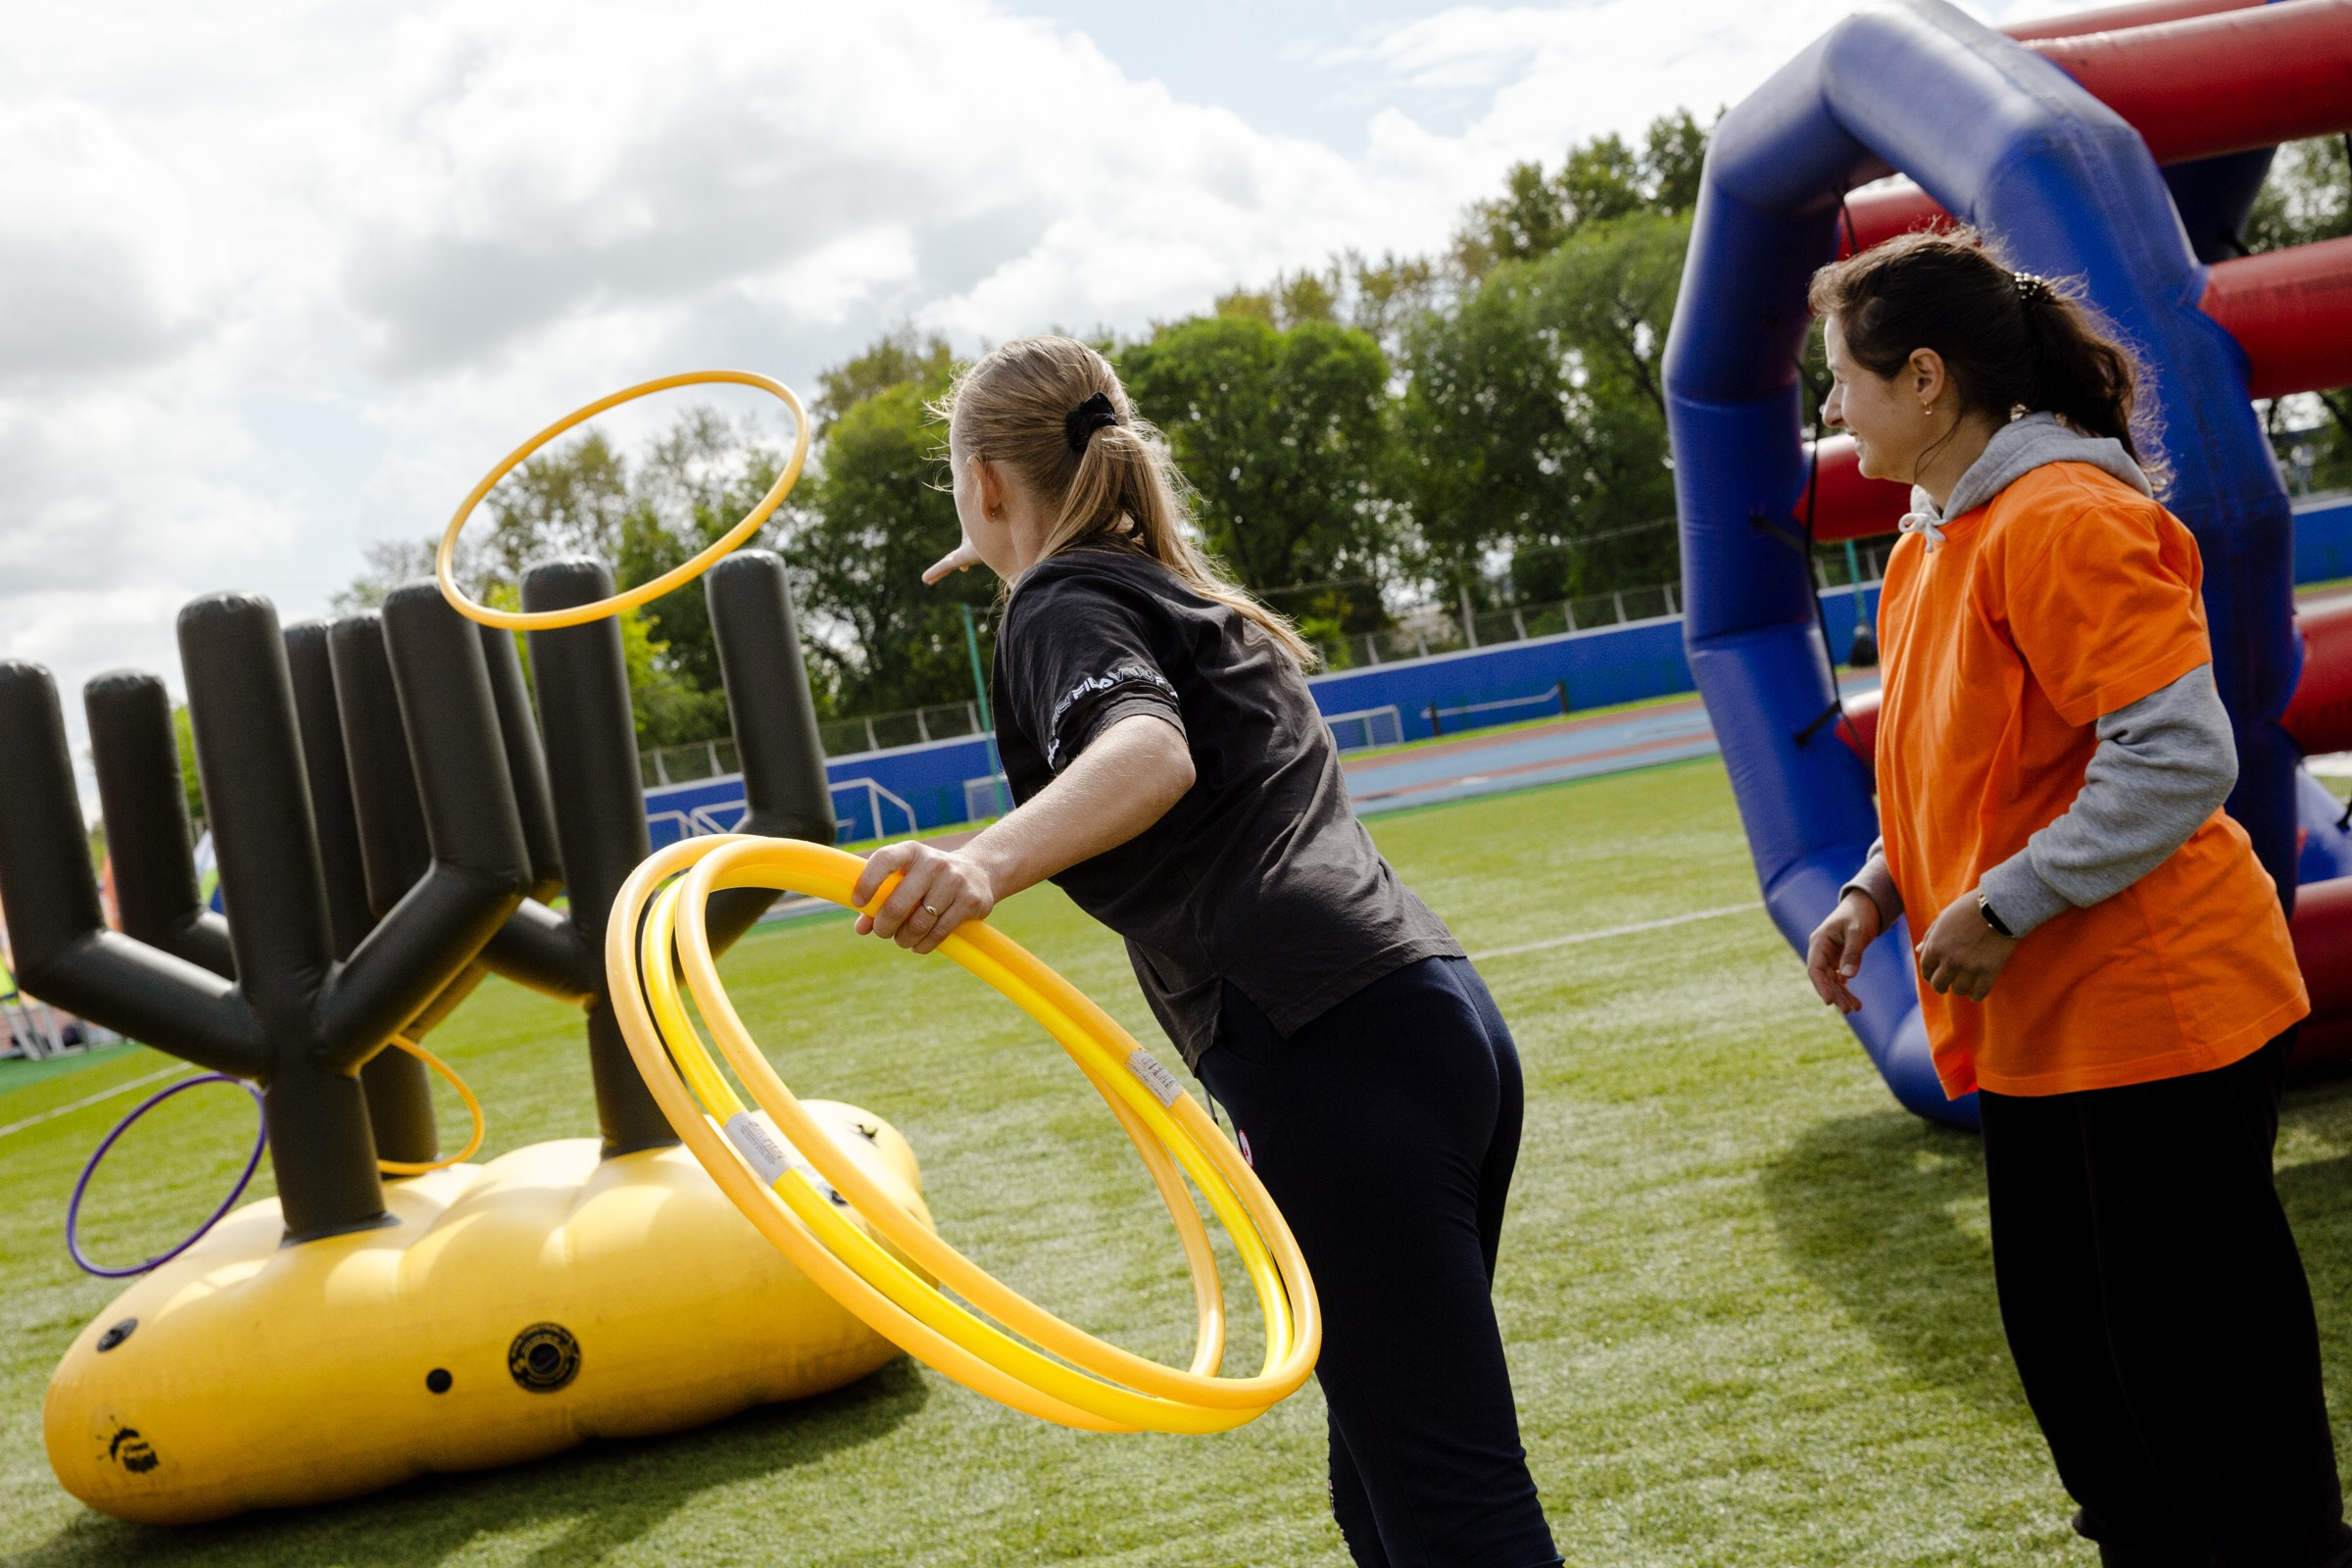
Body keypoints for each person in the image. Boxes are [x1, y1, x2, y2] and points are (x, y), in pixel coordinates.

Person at [847, 335, 1561, 1568]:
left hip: (1331, 1048)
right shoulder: (1150, 586)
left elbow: (1147, 752)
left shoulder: (1064, 603)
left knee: (1450, 1507)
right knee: (1385, 1491)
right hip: (1429, 1026)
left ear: (986, 481)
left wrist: (981, 864)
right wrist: (1016, 540)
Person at [1802, 231, 2349, 1568]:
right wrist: (1882, 884)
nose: (1829, 412)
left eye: (1843, 382)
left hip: (2158, 1009)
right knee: (2085, 1378)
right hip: (2052, 1027)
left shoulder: (2064, 516)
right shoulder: (1931, 544)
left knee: (2208, 1392)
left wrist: (2005, 902)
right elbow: (1960, 758)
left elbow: (2176, 754)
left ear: (1924, 380)